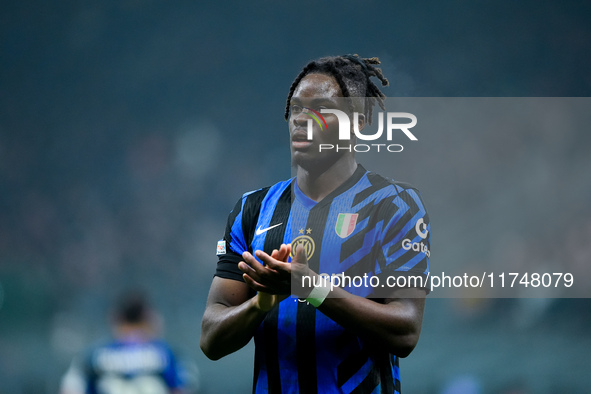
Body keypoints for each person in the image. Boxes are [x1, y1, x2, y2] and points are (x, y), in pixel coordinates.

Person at [200, 54, 430, 394]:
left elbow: (406, 331)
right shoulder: (252, 209)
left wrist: (313, 289)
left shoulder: (394, 206)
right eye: (296, 110)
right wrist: (260, 304)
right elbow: (211, 340)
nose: (302, 121)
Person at [60, 291, 188, 394]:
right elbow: (181, 389)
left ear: (116, 318)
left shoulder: (93, 355)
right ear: (148, 317)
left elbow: (70, 389)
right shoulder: (166, 354)